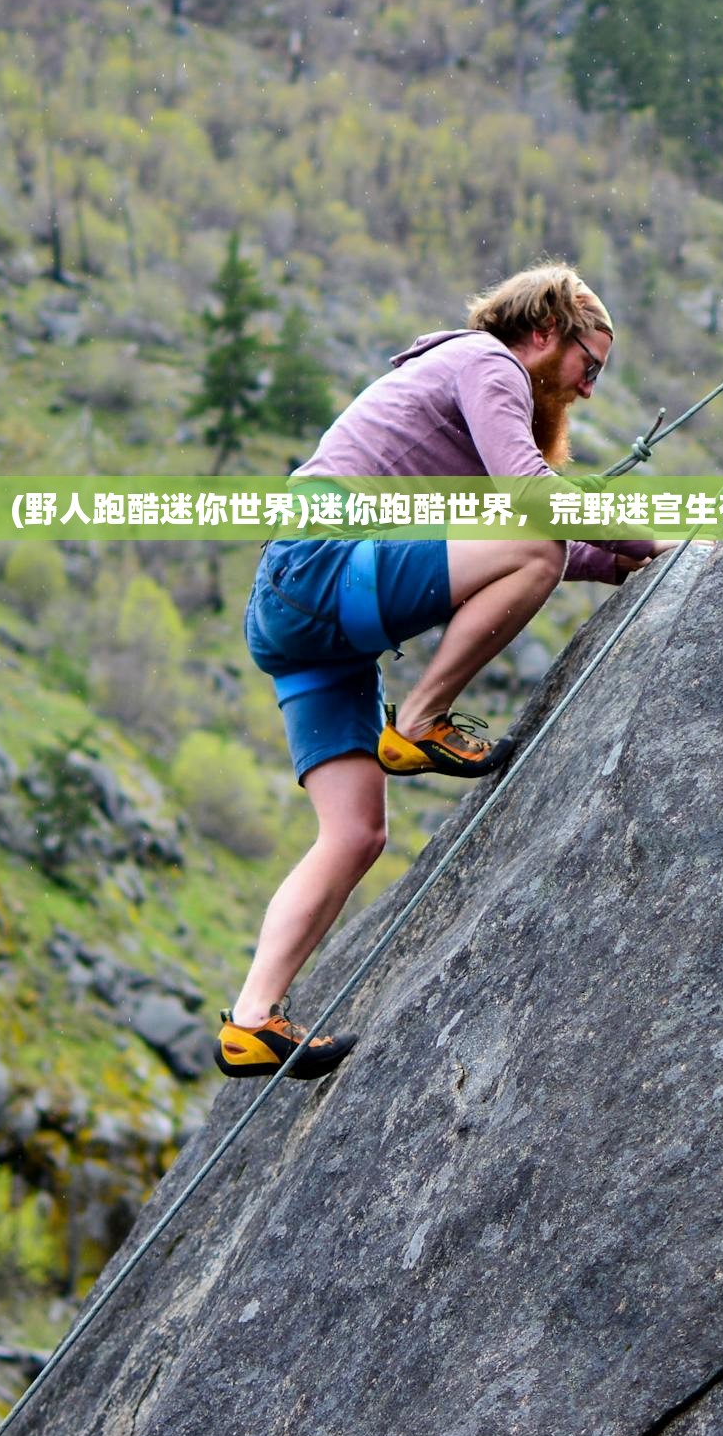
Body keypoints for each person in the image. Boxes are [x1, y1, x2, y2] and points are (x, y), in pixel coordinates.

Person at [217, 263, 661, 1080]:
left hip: (298, 616)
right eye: (586, 367)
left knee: (355, 833)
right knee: (538, 537)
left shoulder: (462, 390)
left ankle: (251, 1020)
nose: (588, 390)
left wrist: (615, 560)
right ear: (541, 334)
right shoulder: (485, 363)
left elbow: (510, 534)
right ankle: (420, 720)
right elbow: (530, 507)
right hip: (319, 568)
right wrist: (655, 537)